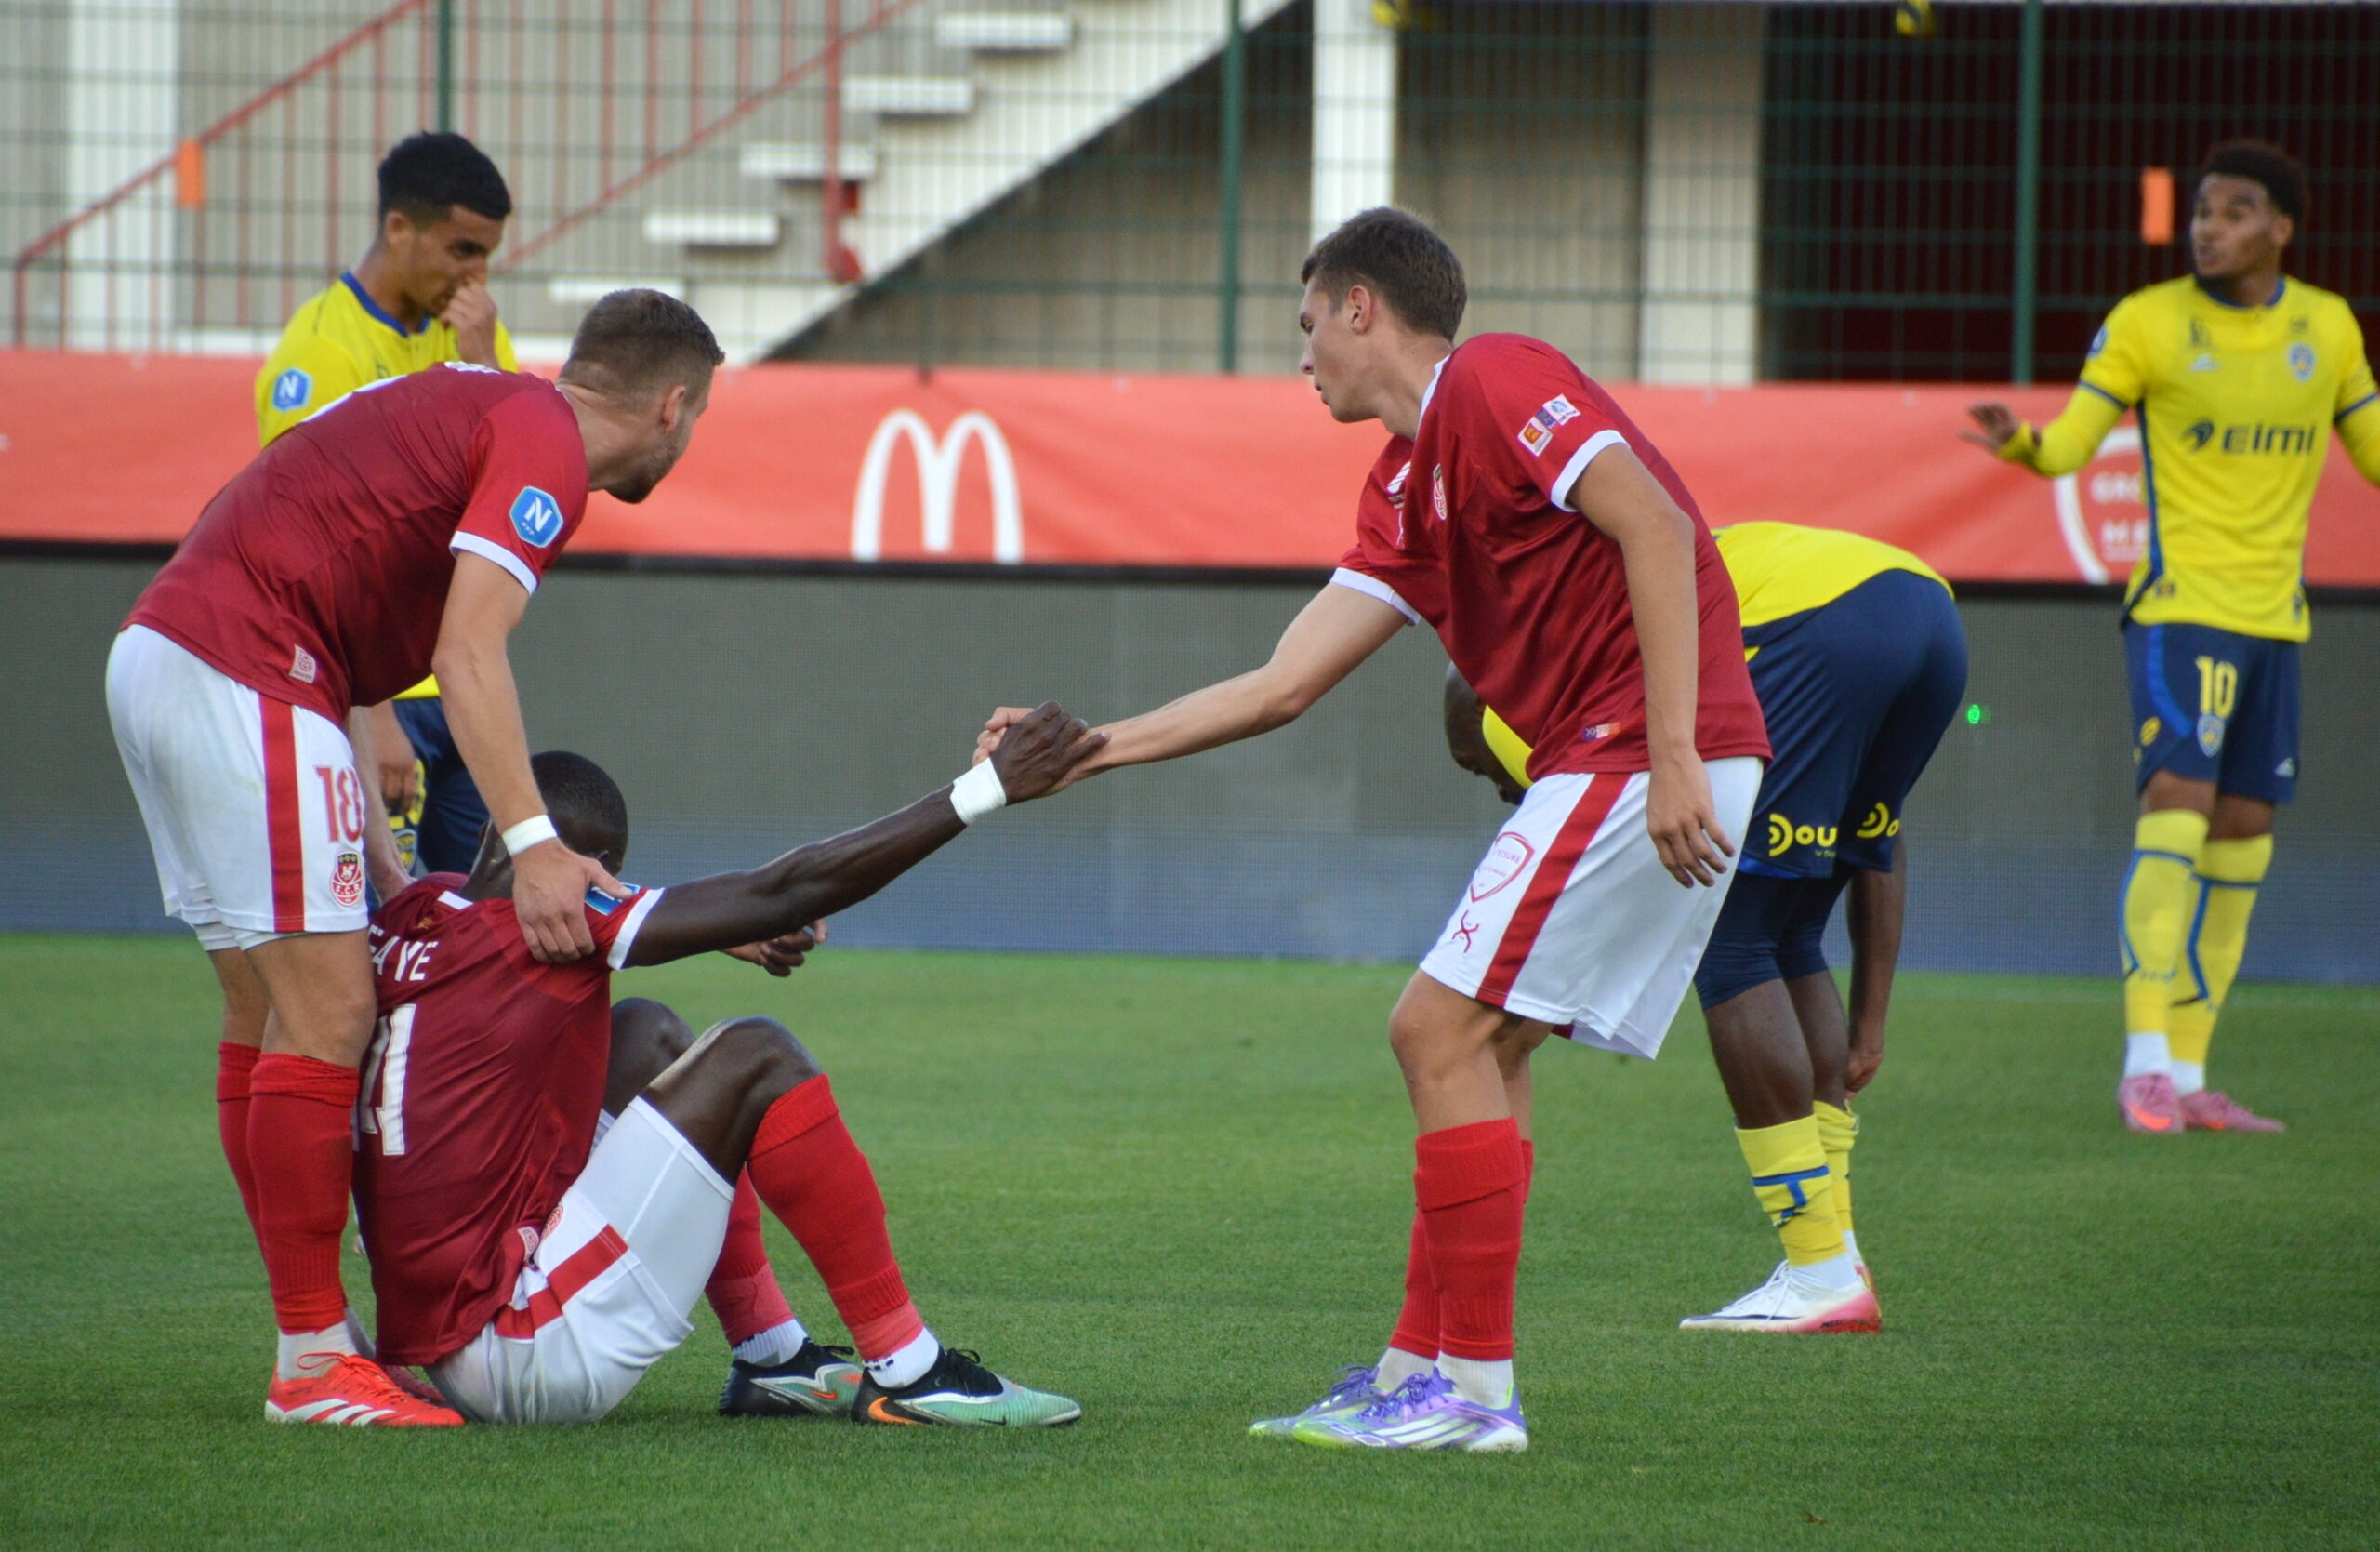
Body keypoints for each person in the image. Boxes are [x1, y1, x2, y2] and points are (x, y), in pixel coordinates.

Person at [978, 208, 1769, 1452]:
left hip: (1644, 754)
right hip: (1611, 761)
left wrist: (1673, 754)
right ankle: (1421, 1368)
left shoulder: (1499, 378)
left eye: (1307, 325)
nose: (1301, 357)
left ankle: (1475, 1401)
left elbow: (1658, 528)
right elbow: (1281, 684)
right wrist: (1091, 750)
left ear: (1363, 308)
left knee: (1432, 1025)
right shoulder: (1404, 483)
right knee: (1484, 1053)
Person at [107, 288, 721, 1426]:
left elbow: (319, 525)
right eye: (697, 422)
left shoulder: (481, 404)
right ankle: (309, 1362)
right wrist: (534, 847)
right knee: (330, 1015)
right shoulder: (542, 444)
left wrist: (379, 837)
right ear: (673, 407)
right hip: (252, 666)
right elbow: (469, 649)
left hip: (177, 649)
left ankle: (316, 1338)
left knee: (267, 1014)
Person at [350, 713, 1100, 1426]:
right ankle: (910, 1370)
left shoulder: (419, 907)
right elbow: (789, 888)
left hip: (436, 1334)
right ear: (590, 869)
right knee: (756, 1053)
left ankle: (771, 1356)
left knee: (647, 1035)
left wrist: (713, 929)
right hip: (525, 1351)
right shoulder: (539, 923)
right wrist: (986, 787)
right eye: (606, 878)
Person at [1446, 522, 1967, 1333]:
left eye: (1478, 768)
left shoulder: (1513, 715)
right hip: (1925, 608)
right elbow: (1879, 842)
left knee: (1730, 944)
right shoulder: (1588, 628)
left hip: (1816, 622)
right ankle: (1838, 1252)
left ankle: (1820, 1271)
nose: (1498, 786)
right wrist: (1871, 1022)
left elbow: (1579, 860)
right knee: (1788, 933)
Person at [1963, 140, 2380, 1134]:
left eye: (2234, 211)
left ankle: (2190, 1075)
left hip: (2276, 619)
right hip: (2180, 609)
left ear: (2281, 226)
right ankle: (2142, 1061)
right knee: (2179, 809)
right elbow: (2067, 444)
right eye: (2200, 209)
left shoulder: (2325, 329)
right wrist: (2019, 442)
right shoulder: (2147, 323)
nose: (2207, 226)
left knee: (2244, 838)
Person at [256, 130, 523, 878]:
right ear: (400, 229)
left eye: (488, 255)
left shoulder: (471, 334)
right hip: (382, 698)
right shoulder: (320, 355)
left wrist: (481, 364)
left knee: (489, 922)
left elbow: (512, 487)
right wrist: (374, 713)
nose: (477, 276)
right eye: (462, 250)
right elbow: (306, 547)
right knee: (377, 932)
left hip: (465, 682)